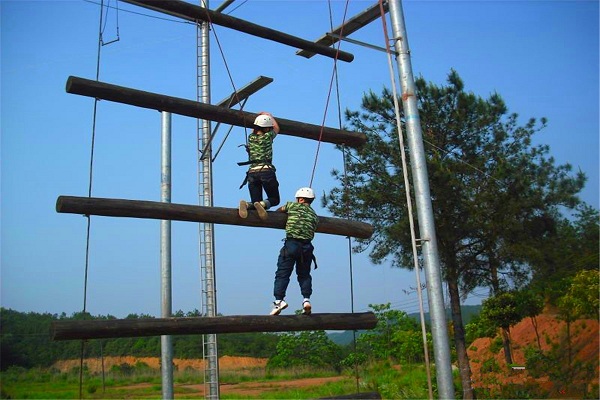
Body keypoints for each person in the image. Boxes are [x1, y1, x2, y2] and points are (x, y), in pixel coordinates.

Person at [270, 187, 319, 316]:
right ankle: (306, 300)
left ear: (301, 199)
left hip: (292, 244)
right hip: (307, 247)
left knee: (282, 274)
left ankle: (279, 301)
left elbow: (278, 211)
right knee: (304, 275)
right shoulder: (314, 215)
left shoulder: (292, 206)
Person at [238, 112, 280, 221]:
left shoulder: (251, 138)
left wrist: (259, 118)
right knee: (275, 199)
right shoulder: (267, 137)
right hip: (266, 171)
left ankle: (247, 205)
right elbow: (277, 128)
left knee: (255, 202)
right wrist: (269, 115)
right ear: (266, 129)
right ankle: (262, 204)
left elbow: (255, 130)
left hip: (252, 173)